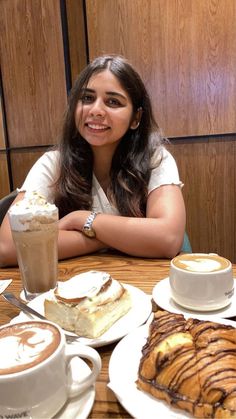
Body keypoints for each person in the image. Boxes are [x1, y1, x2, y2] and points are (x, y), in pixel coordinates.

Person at [0, 55, 186, 267]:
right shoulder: (54, 164)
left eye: (113, 102)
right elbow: (8, 246)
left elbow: (168, 239)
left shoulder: (155, 159)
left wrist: (82, 220)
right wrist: (105, 237)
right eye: (87, 98)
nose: (96, 110)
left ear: (136, 118)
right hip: (74, 290)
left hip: (140, 288)